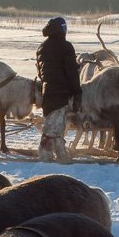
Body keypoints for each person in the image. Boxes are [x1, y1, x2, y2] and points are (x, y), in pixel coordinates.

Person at [35, 16, 81, 164]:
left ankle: (54, 153)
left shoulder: (42, 47)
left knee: (52, 123)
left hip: (47, 91)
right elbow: (71, 72)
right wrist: (77, 92)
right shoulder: (66, 46)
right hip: (61, 92)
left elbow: (40, 72)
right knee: (55, 127)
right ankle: (52, 155)